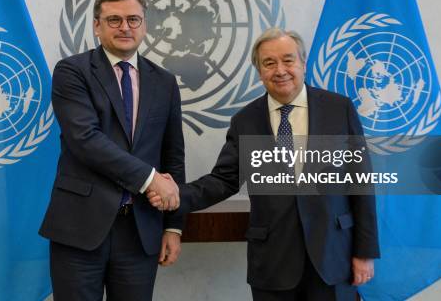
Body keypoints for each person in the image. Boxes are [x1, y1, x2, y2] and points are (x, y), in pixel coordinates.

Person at [149, 28, 379, 301]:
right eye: (269, 63)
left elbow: (361, 181)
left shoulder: (339, 109)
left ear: (303, 64)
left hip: (333, 256)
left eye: (288, 60)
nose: (280, 70)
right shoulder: (246, 121)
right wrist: (175, 193)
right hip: (273, 263)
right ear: (259, 71)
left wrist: (364, 251)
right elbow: (224, 180)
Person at [40, 0, 185, 301]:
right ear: (97, 26)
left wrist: (173, 226)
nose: (125, 27)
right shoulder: (72, 72)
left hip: (141, 231)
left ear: (144, 25)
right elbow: (84, 139)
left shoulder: (164, 82)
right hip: (80, 228)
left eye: (133, 19)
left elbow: (173, 157)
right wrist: (150, 180)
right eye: (114, 20)